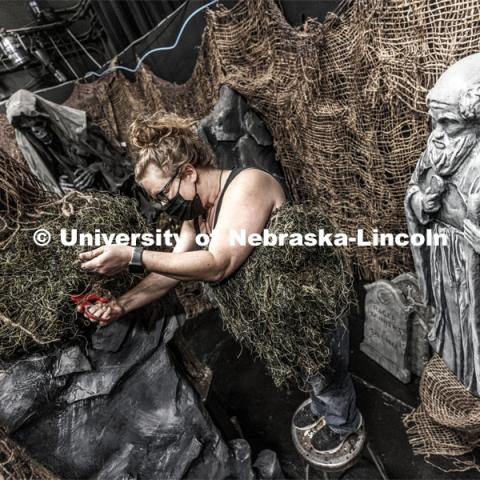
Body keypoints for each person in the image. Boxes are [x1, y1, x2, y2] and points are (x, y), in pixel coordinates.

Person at [78, 112, 362, 454]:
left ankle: (343, 425)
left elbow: (217, 264)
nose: (164, 205)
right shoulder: (196, 214)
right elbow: (172, 270)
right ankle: (323, 410)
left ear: (188, 173)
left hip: (308, 307)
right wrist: (120, 305)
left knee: (328, 372)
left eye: (164, 194)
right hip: (280, 317)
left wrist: (132, 255)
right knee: (310, 372)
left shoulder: (247, 186)